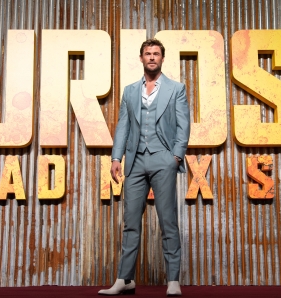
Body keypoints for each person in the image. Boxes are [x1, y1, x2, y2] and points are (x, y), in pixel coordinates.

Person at [98, 39, 190, 296]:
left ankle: (173, 281)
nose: (152, 57)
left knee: (168, 220)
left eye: (156, 53)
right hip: (135, 161)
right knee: (130, 223)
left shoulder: (176, 89)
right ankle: (124, 279)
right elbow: (123, 126)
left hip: (164, 159)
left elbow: (184, 126)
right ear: (141, 58)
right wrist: (117, 158)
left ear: (162, 58)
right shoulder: (129, 91)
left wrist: (176, 158)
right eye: (148, 54)